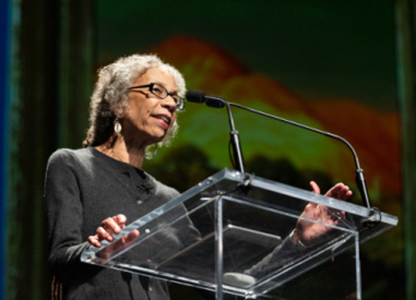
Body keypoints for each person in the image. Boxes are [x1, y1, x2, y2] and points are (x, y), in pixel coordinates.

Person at [45, 54, 352, 300]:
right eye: (156, 91)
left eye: (175, 100)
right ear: (115, 100)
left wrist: (297, 240)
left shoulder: (170, 199)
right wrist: (97, 251)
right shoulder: (73, 165)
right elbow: (60, 259)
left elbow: (226, 287)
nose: (169, 103)